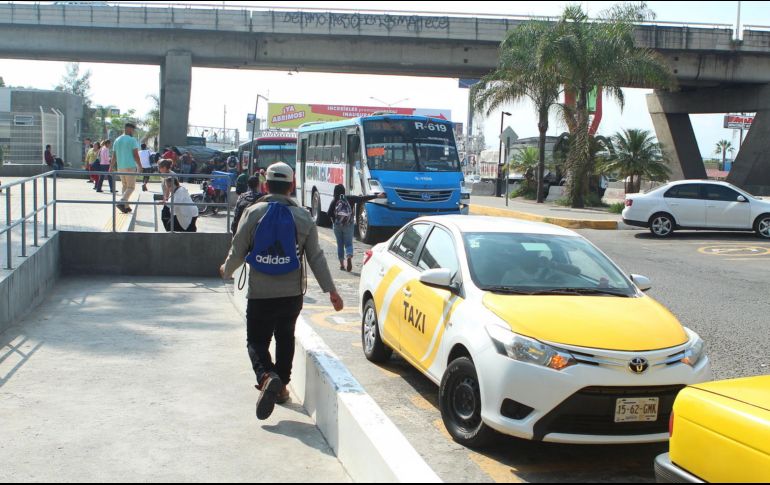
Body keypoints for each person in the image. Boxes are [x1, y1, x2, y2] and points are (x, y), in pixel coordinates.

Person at [220, 162, 343, 421]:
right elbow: (316, 257)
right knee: (285, 337)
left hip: (260, 293)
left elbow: (238, 247)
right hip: (292, 294)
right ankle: (282, 387)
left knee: (256, 341)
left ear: (266, 185)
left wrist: (227, 269)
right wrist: (331, 291)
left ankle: (267, 376)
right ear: (291, 185)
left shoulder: (253, 212)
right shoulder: (303, 217)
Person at [327, 184, 383, 271]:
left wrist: (334, 221)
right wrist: (377, 195)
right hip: (349, 225)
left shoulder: (334, 201)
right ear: (344, 191)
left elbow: (329, 213)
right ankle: (349, 256)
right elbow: (363, 198)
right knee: (348, 243)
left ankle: (342, 265)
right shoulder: (350, 198)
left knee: (340, 244)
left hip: (337, 226)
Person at [111, 122, 142, 214]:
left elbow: (114, 155)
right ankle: (122, 201)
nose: (133, 131)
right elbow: (136, 155)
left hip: (120, 166)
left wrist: (110, 167)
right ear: (128, 129)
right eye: (132, 130)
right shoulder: (132, 140)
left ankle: (126, 206)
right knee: (131, 187)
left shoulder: (117, 140)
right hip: (130, 166)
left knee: (125, 186)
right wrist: (140, 166)